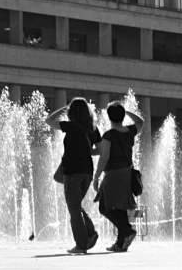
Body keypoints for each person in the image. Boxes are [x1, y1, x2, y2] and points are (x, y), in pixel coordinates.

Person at [45, 98, 102, 254]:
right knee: (75, 206)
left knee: (74, 209)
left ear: (71, 113)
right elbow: (101, 150)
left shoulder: (70, 126)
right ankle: (90, 233)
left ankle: (81, 244)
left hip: (72, 172)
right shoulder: (93, 128)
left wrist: (62, 109)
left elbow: (49, 120)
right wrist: (86, 151)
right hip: (87, 172)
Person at [92, 101, 144, 252]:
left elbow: (104, 157)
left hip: (113, 174)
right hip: (126, 173)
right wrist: (126, 111)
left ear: (109, 117)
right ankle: (120, 243)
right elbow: (141, 121)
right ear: (121, 116)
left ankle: (127, 230)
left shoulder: (109, 135)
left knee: (104, 206)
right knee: (119, 207)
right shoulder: (129, 131)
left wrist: (96, 177)